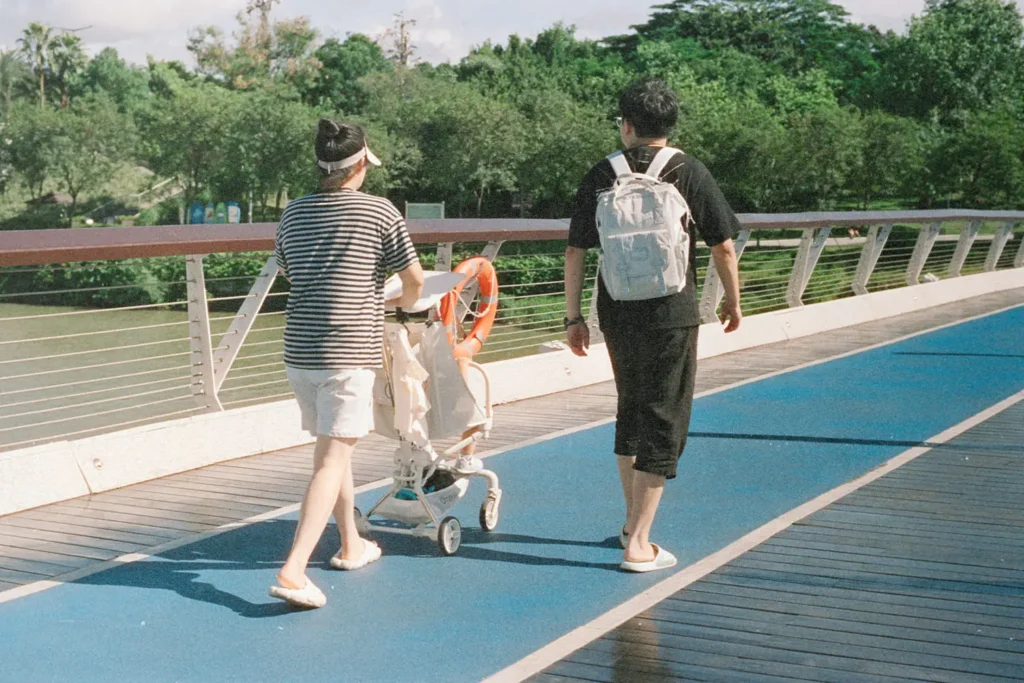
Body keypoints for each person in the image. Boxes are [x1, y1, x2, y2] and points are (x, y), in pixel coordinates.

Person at [563, 79, 742, 572]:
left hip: (617, 309)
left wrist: (574, 317)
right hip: (672, 312)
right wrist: (732, 299)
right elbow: (723, 245)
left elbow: (576, 249)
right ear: (670, 125)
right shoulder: (688, 170)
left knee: (632, 409)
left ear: (626, 125)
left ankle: (629, 523)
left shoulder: (602, 174)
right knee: (666, 417)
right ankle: (640, 544)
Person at [270, 119, 424, 608]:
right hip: (347, 353)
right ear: (360, 164)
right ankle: (294, 570)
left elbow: (291, 270)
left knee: (335, 451)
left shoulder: (293, 213)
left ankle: (352, 544)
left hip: (301, 351)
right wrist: (401, 303)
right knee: (331, 458)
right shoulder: (381, 212)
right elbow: (414, 280)